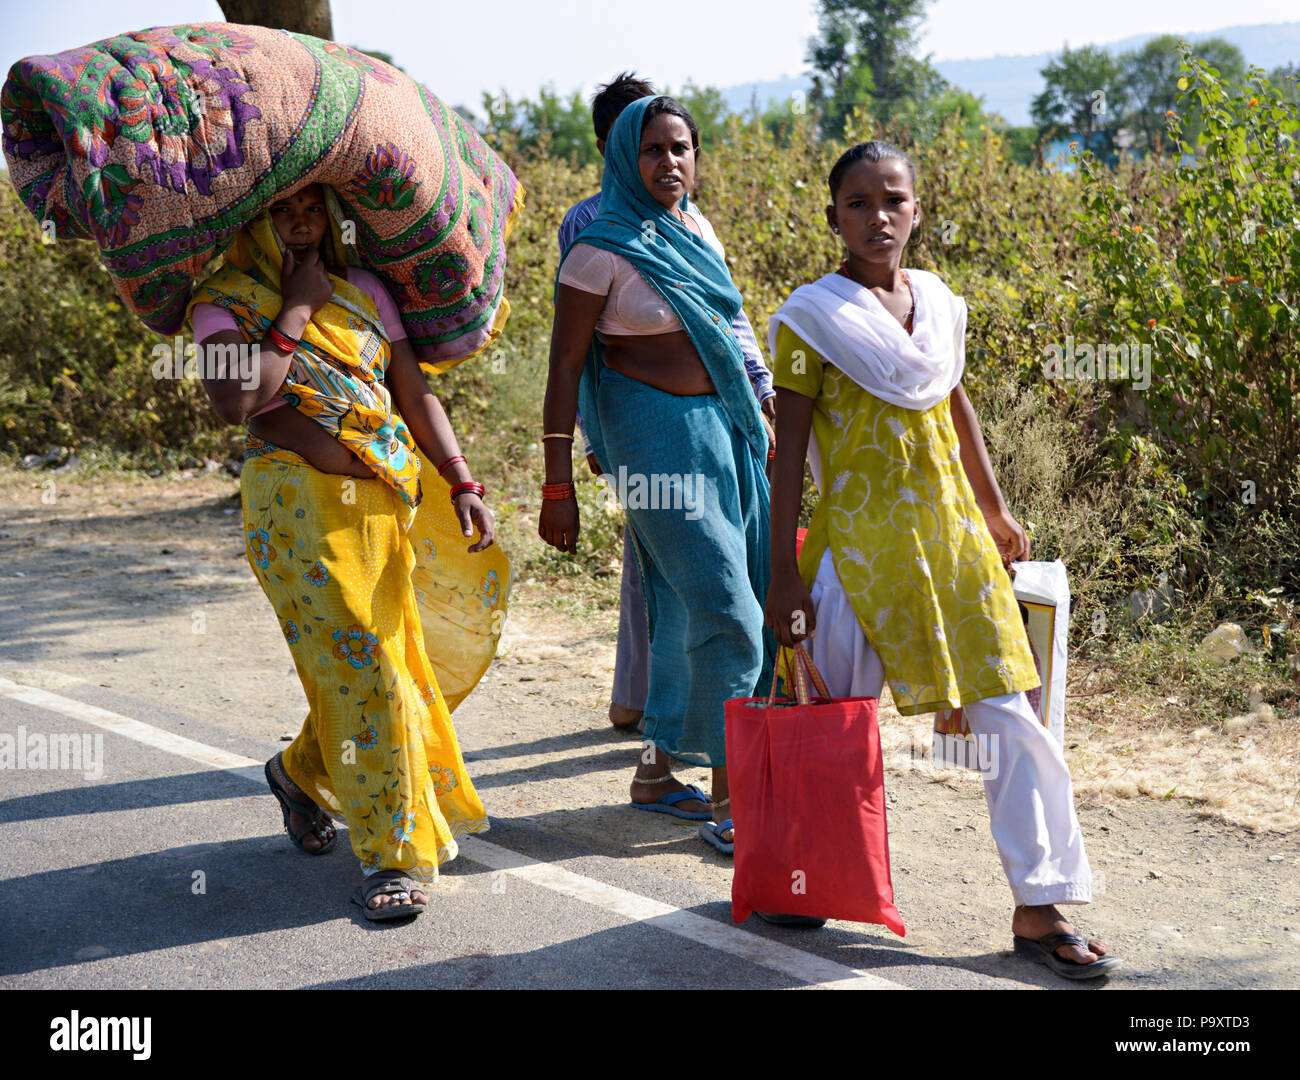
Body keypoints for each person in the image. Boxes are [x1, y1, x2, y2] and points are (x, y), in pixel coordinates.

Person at [764, 141, 1121, 978]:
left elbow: (957, 404)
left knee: (1010, 720)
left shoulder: (941, 306)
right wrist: (785, 569)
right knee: (833, 727)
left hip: (955, 546)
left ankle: (1039, 909)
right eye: (858, 203)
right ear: (833, 218)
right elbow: (790, 452)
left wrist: (994, 507)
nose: (877, 216)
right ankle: (803, 877)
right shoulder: (809, 318)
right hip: (858, 557)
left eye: (893, 200)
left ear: (917, 210)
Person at [189, 182, 501, 920]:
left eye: (311, 212)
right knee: (368, 667)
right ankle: (392, 853)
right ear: (252, 220)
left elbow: (412, 390)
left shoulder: (362, 291)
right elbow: (237, 403)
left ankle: (300, 772)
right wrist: (295, 308)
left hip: (381, 512)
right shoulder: (224, 301)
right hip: (294, 516)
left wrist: (461, 479)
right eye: (282, 212)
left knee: (391, 665)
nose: (300, 226)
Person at [540, 95, 775, 854]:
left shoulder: (695, 230)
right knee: (731, 616)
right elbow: (564, 370)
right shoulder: (598, 248)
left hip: (723, 436)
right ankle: (732, 808)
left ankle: (653, 773)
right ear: (621, 159)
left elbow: (728, 331)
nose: (670, 163)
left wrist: (763, 412)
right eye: (652, 151)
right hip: (653, 450)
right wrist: (558, 484)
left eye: (681, 148)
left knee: (682, 612)